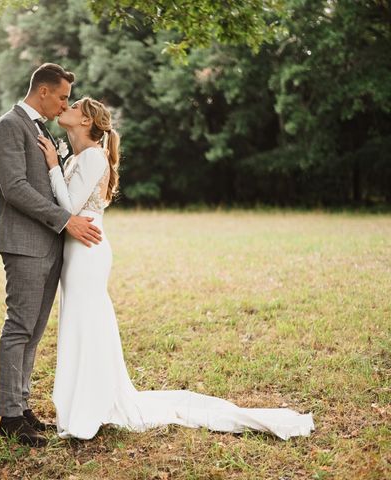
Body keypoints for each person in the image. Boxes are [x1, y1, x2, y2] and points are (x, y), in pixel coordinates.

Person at [37, 97, 315, 441]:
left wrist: (52, 165)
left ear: (86, 122)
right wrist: (58, 163)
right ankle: (84, 399)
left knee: (86, 319)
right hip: (76, 250)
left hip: (88, 249)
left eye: (75, 105)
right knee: (80, 320)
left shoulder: (93, 155)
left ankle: (89, 405)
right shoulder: (80, 156)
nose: (67, 106)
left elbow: (69, 205)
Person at [0, 63, 103, 447]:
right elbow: (16, 188)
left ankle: (21, 407)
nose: (65, 103)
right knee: (19, 327)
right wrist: (66, 221)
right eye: (63, 97)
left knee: (34, 332)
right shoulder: (8, 127)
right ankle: (8, 416)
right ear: (43, 93)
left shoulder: (42, 129)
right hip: (24, 244)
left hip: (49, 245)